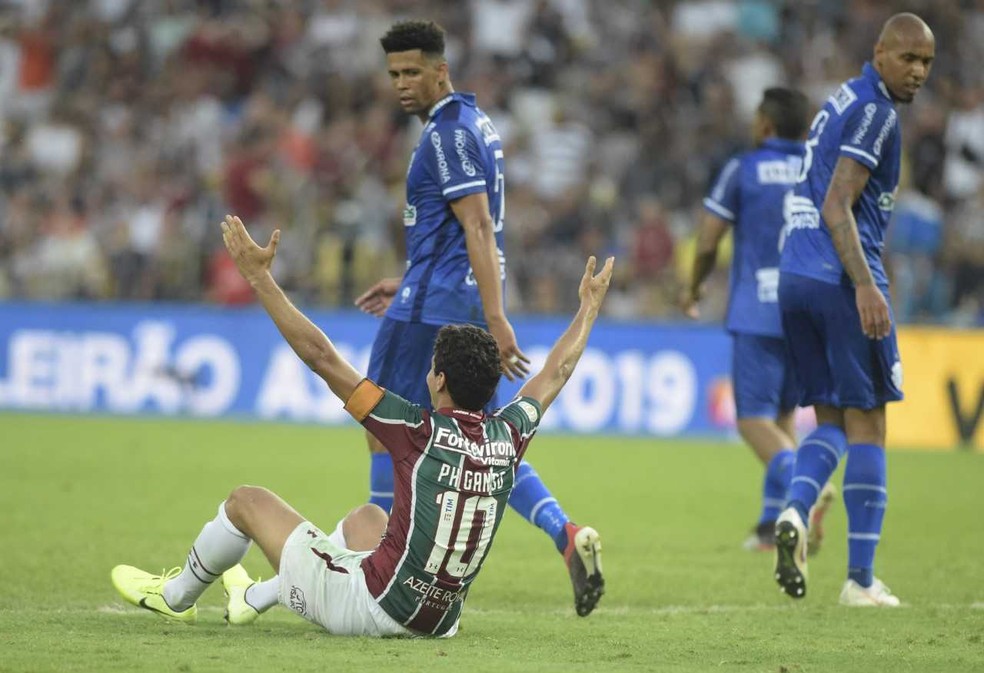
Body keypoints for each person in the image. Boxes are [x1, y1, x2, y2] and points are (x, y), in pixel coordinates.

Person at [110, 214, 615, 636]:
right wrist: (589, 309)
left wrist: (260, 278)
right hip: (442, 622)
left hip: (375, 610)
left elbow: (321, 356)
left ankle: (174, 597)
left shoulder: (414, 430)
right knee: (363, 522)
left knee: (246, 501)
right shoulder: (511, 431)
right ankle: (258, 595)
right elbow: (558, 371)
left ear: (437, 379)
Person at [353, 20, 604, 615]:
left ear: (442, 70)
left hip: (434, 308)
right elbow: (458, 227)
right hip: (441, 292)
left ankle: (384, 556)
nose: (402, 85)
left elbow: (478, 224)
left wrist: (494, 315)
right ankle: (564, 533)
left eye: (412, 72)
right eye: (393, 75)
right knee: (490, 442)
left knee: (377, 427)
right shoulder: (476, 124)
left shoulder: (445, 134)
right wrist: (413, 275)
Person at [773, 13, 935, 606]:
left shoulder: (843, 97)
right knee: (870, 425)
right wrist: (866, 285)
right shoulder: (877, 111)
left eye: (926, 63)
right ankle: (860, 581)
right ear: (881, 53)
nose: (917, 72)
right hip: (841, 278)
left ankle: (793, 510)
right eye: (908, 59)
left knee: (832, 422)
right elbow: (838, 203)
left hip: (795, 276)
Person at [682, 88, 835, 553]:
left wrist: (693, 287)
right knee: (784, 415)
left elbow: (708, 241)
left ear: (765, 124)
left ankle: (808, 490)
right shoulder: (821, 169)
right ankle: (774, 528)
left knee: (752, 421)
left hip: (759, 309)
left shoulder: (743, 168)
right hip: (809, 307)